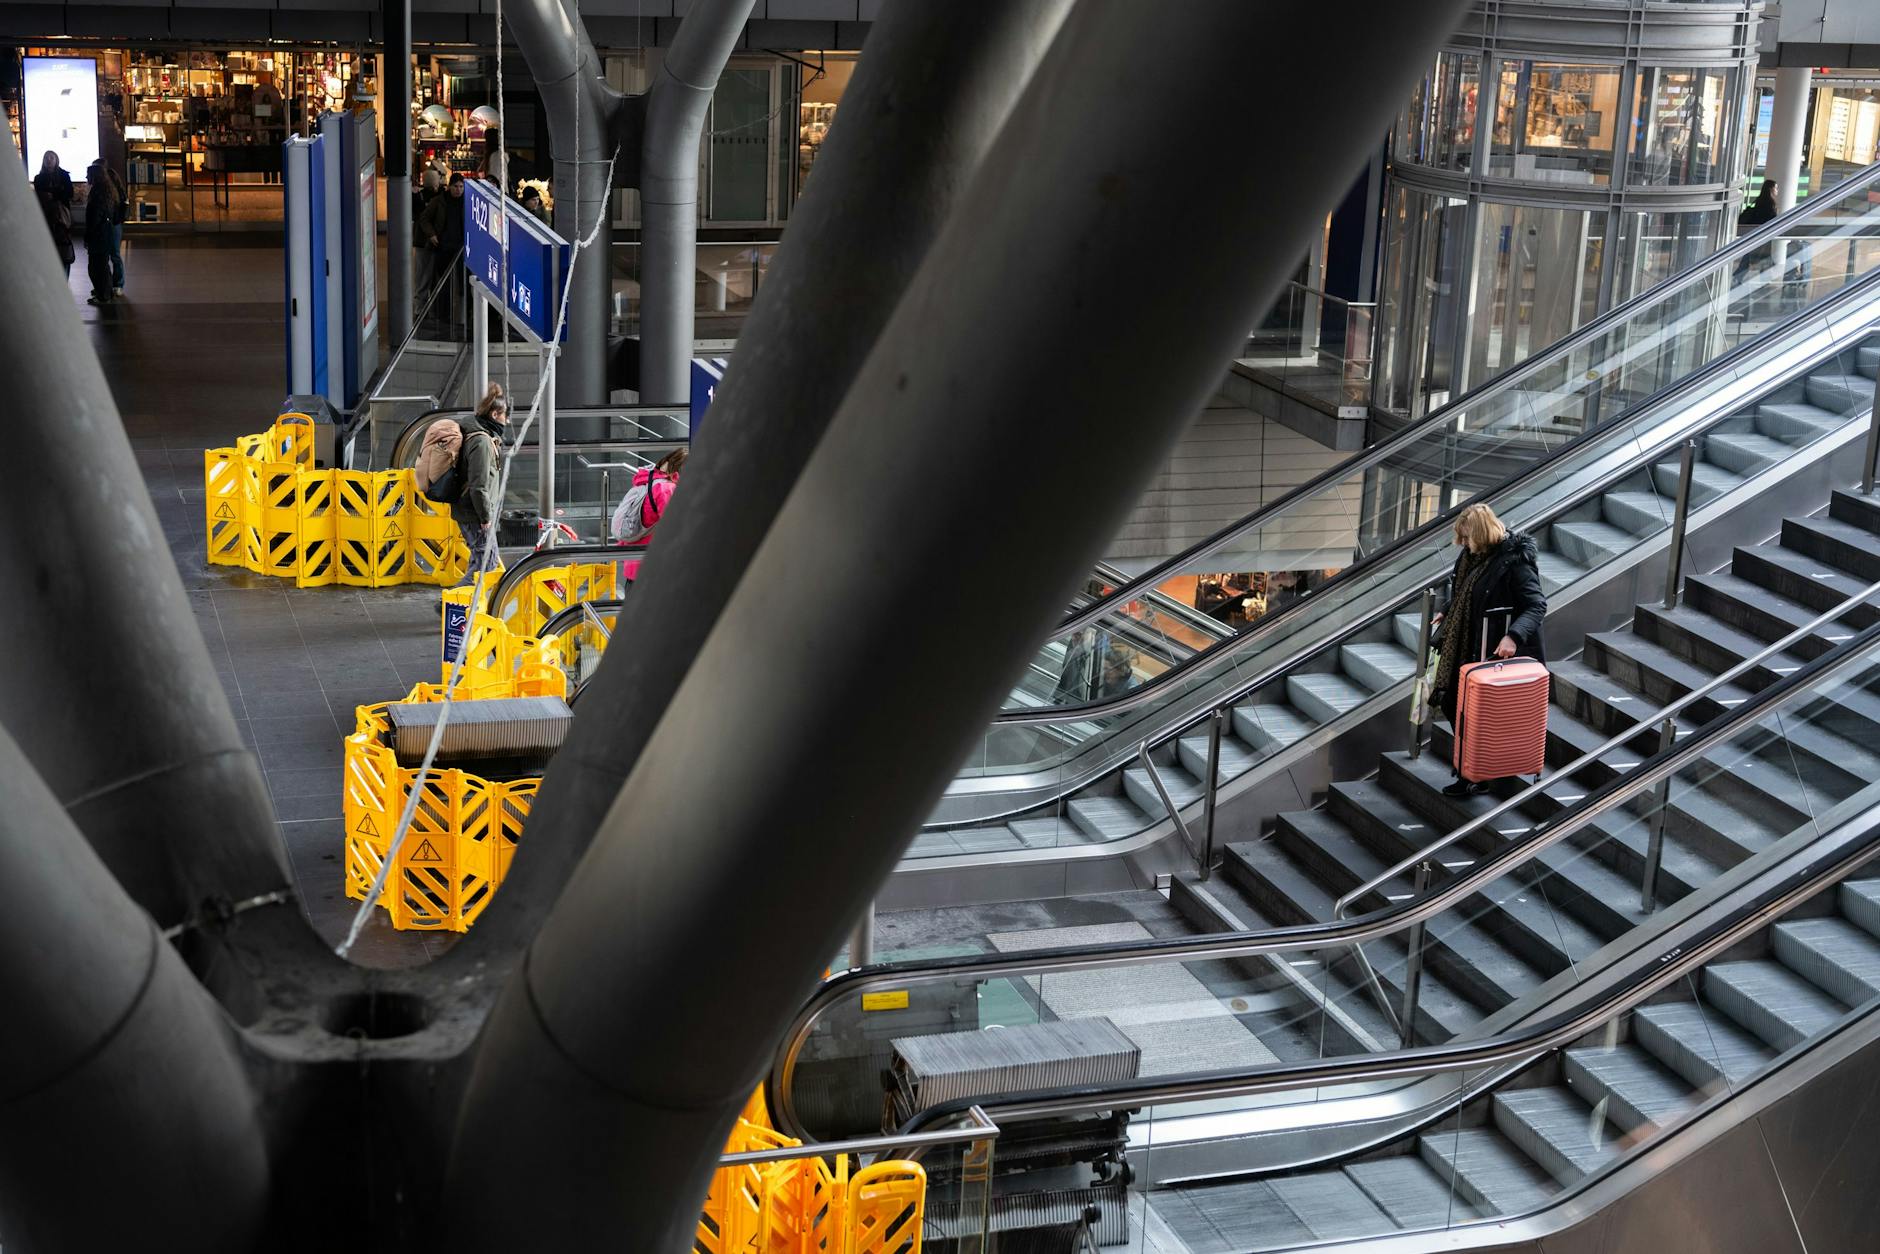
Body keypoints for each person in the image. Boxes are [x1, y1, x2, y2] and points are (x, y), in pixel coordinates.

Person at [1428, 502, 1547, 798]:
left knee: (1471, 710)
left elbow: (1536, 605)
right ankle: (1477, 769)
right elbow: (1467, 589)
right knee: (1452, 701)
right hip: (1468, 644)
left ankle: (1475, 775)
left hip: (1491, 650)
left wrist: (1513, 637)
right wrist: (1448, 608)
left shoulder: (1514, 561)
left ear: (1481, 534)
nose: (1464, 544)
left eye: (1468, 538)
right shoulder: (1474, 554)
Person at [448, 383, 508, 581]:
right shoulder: (481, 442)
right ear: (494, 415)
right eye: (504, 415)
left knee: (482, 561)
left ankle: (461, 606)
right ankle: (452, 602)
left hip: (470, 510)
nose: (506, 421)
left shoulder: (477, 432)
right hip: (474, 513)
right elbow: (479, 485)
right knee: (485, 564)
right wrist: (485, 517)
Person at [610, 447, 687, 582]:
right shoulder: (666, 489)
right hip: (653, 571)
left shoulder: (646, 483)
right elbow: (675, 528)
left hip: (634, 567)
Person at [32, 152, 75, 278]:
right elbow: (39, 194)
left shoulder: (64, 175)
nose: (49, 160)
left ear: (56, 160)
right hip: (46, 215)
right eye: (46, 158)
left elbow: (69, 193)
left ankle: (64, 277)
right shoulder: (39, 178)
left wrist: (53, 195)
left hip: (62, 216)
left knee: (63, 246)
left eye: (51, 158)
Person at [82, 162, 119, 306]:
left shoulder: (97, 193)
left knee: (95, 267)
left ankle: (103, 295)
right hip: (106, 232)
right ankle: (107, 293)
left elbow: (94, 218)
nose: (86, 177)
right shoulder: (108, 191)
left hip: (98, 234)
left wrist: (88, 236)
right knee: (103, 265)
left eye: (88, 174)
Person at [420, 171, 467, 261]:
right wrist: (431, 234)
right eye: (455, 186)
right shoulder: (439, 200)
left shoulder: (466, 201)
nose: (458, 190)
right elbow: (424, 218)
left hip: (461, 243)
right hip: (443, 243)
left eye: (461, 187)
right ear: (449, 187)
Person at [103, 163, 129, 296]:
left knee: (113, 254)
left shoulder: (112, 192)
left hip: (112, 224)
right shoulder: (117, 190)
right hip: (114, 224)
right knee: (115, 254)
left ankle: (116, 283)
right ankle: (116, 284)